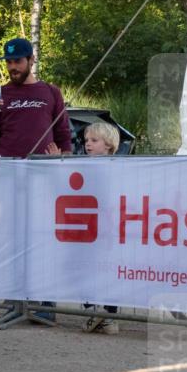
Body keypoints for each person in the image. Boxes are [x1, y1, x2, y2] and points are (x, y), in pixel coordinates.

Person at [0, 38, 72, 157]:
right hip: (9, 169)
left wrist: (64, 167)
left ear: (31, 60)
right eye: (9, 62)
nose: (13, 67)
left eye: (18, 61)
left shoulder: (52, 91)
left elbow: (64, 137)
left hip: (43, 169)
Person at [80, 121, 122, 334]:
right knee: (85, 266)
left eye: (94, 141)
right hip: (87, 228)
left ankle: (108, 315)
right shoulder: (84, 166)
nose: (88, 144)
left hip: (107, 227)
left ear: (108, 145)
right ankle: (96, 312)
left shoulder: (116, 168)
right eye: (86, 140)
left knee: (108, 269)